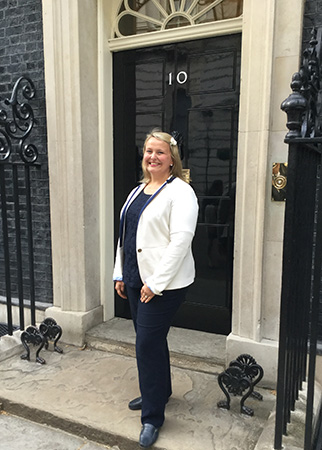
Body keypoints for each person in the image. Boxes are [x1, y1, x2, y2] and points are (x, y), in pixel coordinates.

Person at [113, 129, 198, 448]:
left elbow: (180, 242)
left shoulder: (181, 192)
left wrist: (155, 284)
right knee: (151, 340)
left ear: (171, 158)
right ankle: (159, 392)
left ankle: (152, 417)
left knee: (146, 344)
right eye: (149, 151)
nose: (153, 157)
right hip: (135, 279)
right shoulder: (138, 190)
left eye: (160, 152)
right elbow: (126, 234)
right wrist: (120, 273)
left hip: (164, 284)